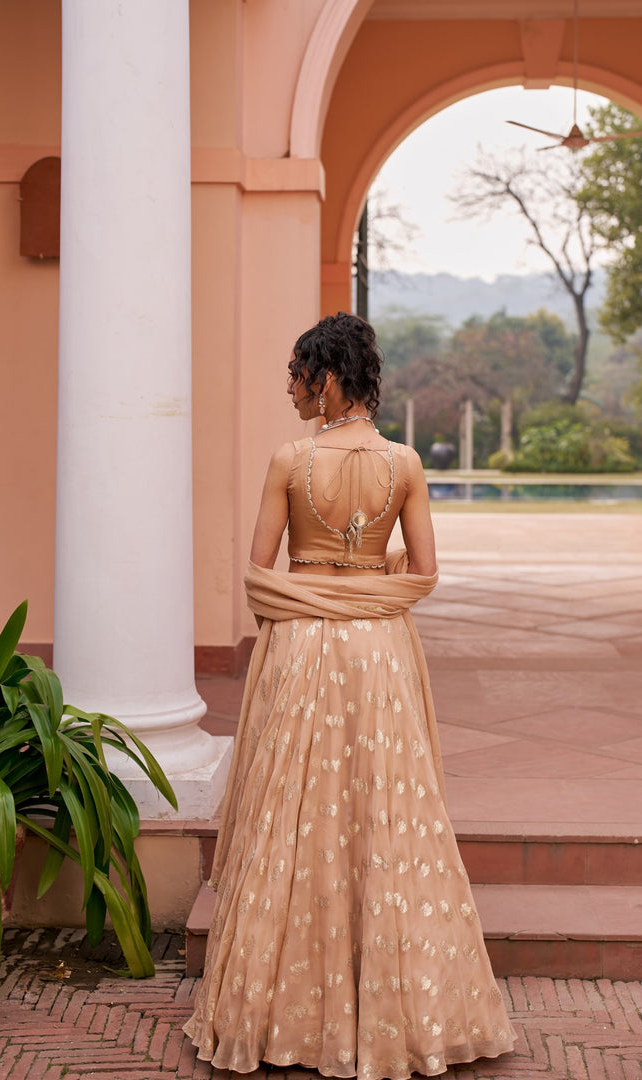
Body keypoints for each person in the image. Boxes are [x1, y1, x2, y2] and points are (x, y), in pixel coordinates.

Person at [183, 313, 515, 1079]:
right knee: (384, 812)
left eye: (297, 374)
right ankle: (405, 1010)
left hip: (300, 647)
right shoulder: (402, 465)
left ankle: (282, 1012)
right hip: (379, 650)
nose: (289, 388)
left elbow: (259, 578)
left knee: (294, 813)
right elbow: (423, 574)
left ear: (327, 379)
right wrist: (368, 592)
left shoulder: (287, 460)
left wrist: (308, 602)